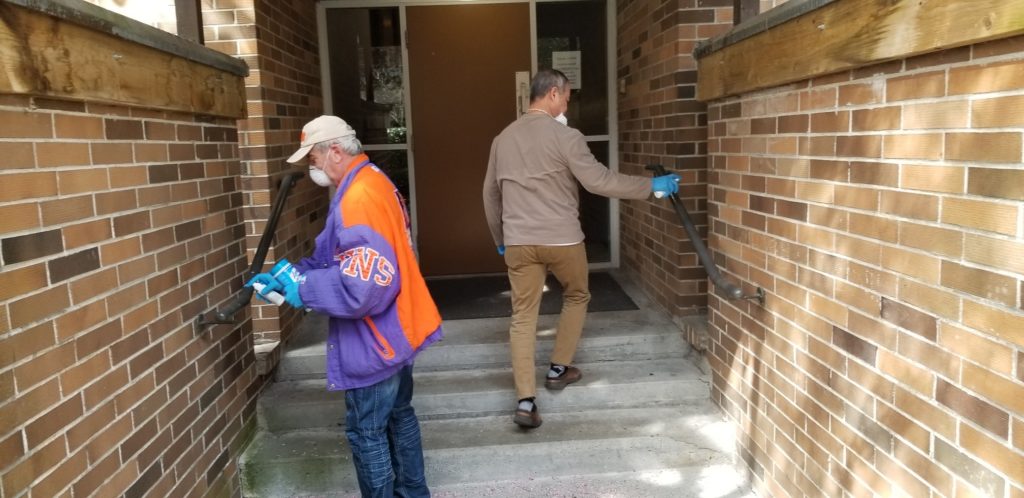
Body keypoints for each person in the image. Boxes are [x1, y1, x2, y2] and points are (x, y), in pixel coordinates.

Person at [247, 115, 443, 497]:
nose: (311, 166)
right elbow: (338, 256)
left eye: (313, 157)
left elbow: (363, 289)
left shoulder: (357, 199)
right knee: (399, 417)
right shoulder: (373, 182)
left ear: (334, 151)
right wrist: (292, 274)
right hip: (398, 330)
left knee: (367, 432)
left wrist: (303, 288)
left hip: (376, 339)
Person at [482, 69, 680, 429]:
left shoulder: (502, 139)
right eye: (567, 98)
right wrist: (651, 185)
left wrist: (500, 238)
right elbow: (599, 181)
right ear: (553, 94)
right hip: (562, 240)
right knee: (576, 294)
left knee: (522, 317)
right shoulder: (566, 136)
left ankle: (526, 403)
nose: (566, 106)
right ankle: (559, 368)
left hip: (519, 242)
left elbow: (490, 194)